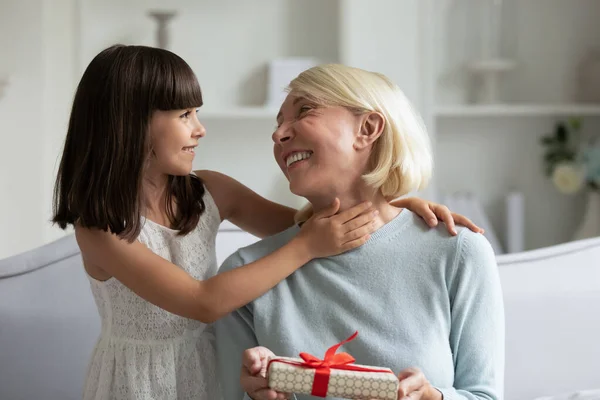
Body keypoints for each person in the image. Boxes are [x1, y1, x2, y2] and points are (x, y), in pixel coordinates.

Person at [52, 45, 481, 400]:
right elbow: (205, 301)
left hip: (208, 368)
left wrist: (395, 206)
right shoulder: (99, 229)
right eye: (184, 115)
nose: (200, 129)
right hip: (138, 383)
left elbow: (307, 224)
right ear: (129, 125)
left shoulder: (210, 191)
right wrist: (308, 246)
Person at [215, 64, 504, 400]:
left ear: (367, 128)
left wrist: (430, 397)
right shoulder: (244, 276)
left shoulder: (458, 252)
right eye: (278, 123)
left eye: (305, 110)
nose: (278, 134)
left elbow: (484, 395)